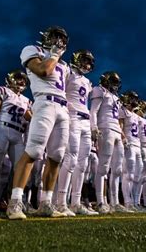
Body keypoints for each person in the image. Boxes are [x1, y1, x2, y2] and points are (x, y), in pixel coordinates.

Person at [6, 26, 70, 220]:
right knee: (33, 151)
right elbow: (44, 70)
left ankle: (46, 203)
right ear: (46, 37)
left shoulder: (65, 64)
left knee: (56, 157)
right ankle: (15, 202)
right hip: (44, 103)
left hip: (62, 108)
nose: (58, 41)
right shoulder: (32, 50)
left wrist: (57, 56)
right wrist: (54, 55)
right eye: (55, 37)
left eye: (62, 38)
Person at [0, 69, 31, 214]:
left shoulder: (26, 100)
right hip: (1, 129)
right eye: (18, 78)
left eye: (23, 79)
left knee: (19, 169)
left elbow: (29, 118)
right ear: (9, 79)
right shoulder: (0, 90)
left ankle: (15, 201)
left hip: (18, 134)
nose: (21, 81)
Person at [56, 49, 98, 216]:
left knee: (83, 163)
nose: (87, 64)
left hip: (86, 120)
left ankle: (75, 202)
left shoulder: (88, 82)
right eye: (84, 60)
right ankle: (60, 202)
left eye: (89, 62)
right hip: (72, 116)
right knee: (71, 158)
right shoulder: (67, 72)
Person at [90, 71, 128, 214]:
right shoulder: (100, 90)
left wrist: (123, 135)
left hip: (116, 131)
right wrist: (93, 127)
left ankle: (115, 202)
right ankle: (100, 202)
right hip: (105, 128)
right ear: (106, 81)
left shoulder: (115, 97)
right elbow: (93, 111)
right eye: (113, 81)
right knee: (103, 167)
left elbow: (118, 119)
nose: (115, 85)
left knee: (117, 169)